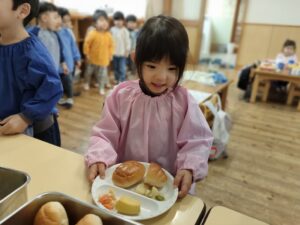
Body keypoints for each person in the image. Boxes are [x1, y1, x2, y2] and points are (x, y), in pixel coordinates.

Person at [85, 15, 213, 198]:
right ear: (136, 59)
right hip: (125, 184)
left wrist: (189, 167)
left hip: (168, 188)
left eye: (172, 69)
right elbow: (104, 134)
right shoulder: (120, 96)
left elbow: (197, 141)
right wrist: (99, 157)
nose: (161, 77)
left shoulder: (183, 101)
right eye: (152, 66)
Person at [0, 0, 63, 145]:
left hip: (37, 128)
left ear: (22, 11)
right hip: (6, 127)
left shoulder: (32, 51)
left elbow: (52, 87)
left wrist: (26, 117)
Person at [83, 10, 114, 95]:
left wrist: (111, 54)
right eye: (101, 20)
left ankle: (101, 87)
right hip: (92, 59)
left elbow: (111, 46)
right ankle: (86, 82)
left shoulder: (108, 35)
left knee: (102, 75)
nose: (104, 22)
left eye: (105, 20)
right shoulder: (92, 33)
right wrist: (87, 54)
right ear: (95, 24)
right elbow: (87, 44)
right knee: (89, 72)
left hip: (104, 60)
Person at [57, 7, 81, 108]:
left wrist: (77, 58)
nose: (67, 23)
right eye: (64, 21)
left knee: (69, 81)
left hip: (69, 63)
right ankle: (61, 97)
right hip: (58, 66)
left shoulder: (68, 32)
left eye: (68, 20)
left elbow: (73, 46)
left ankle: (70, 97)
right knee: (59, 82)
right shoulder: (54, 33)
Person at [111, 11, 131, 83]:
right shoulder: (112, 30)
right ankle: (117, 79)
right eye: (116, 20)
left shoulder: (125, 31)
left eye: (120, 20)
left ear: (123, 21)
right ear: (114, 21)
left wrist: (127, 51)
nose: (118, 22)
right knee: (115, 68)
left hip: (122, 54)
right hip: (114, 53)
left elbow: (128, 42)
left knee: (122, 68)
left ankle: (122, 80)